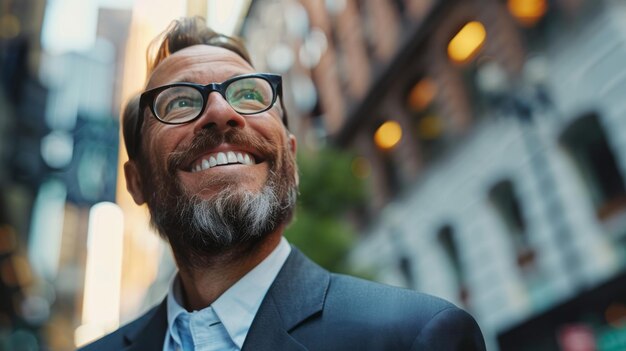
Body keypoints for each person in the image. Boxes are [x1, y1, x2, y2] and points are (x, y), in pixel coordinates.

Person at [79, 17, 486, 351]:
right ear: (137, 182)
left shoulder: (418, 337)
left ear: (289, 153)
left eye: (249, 94)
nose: (221, 112)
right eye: (180, 102)